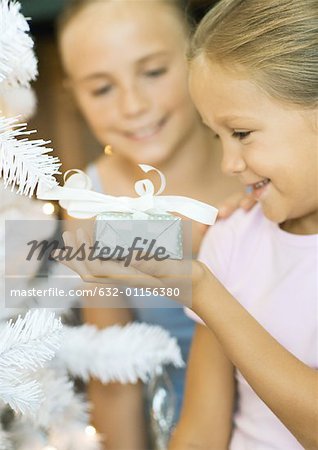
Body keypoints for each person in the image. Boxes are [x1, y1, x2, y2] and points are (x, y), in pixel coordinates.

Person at [56, 0, 318, 449]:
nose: (133, 105)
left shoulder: (256, 190)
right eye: (102, 88)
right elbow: (115, 374)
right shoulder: (92, 207)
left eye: (154, 72)